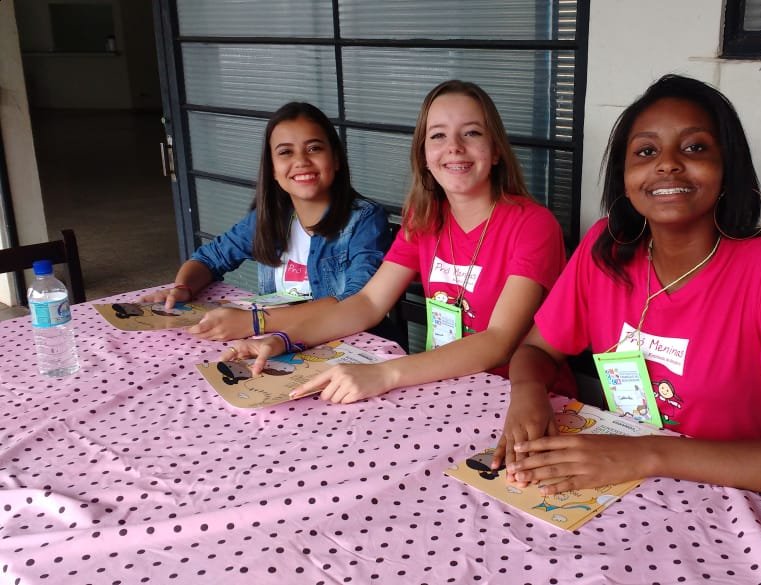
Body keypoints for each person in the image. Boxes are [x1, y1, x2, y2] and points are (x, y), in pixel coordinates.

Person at [494, 74, 761, 498]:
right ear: (625, 177)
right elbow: (537, 350)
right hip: (620, 494)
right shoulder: (604, 248)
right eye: (646, 151)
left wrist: (647, 455)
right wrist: (527, 391)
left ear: (728, 167)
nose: (667, 163)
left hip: (728, 504)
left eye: (695, 147)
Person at [222, 80, 567, 404]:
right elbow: (370, 301)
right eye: (438, 136)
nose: (454, 148)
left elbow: (498, 342)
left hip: (518, 398)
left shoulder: (533, 225)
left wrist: (384, 374)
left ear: (495, 151)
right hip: (443, 385)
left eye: (472, 133)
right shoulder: (424, 216)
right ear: (423, 155)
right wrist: (284, 338)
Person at [142, 102, 390, 339]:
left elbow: (355, 302)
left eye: (314, 148)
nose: (301, 161)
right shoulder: (270, 217)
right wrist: (183, 288)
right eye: (285, 152)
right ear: (272, 168)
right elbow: (208, 258)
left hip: (350, 347)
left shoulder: (365, 220)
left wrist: (255, 321)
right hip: (278, 343)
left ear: (336, 159)